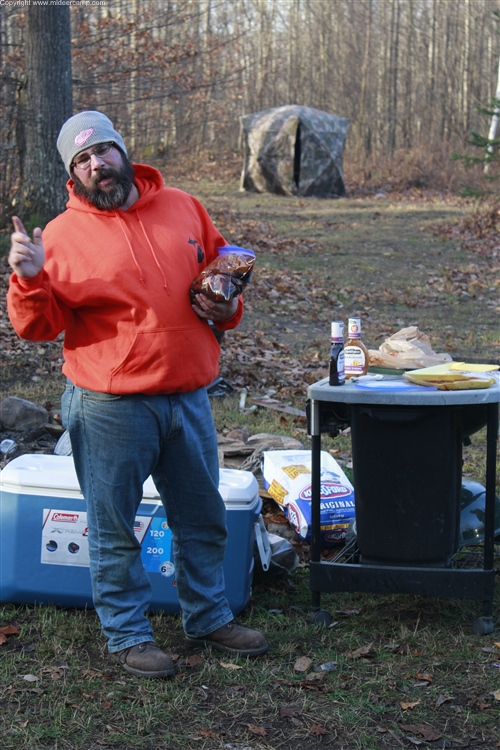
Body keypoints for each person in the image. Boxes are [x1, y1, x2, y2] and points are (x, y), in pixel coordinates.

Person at [7, 111, 268, 679]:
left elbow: (221, 281)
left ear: (123, 151)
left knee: (203, 518)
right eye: (81, 159)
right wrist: (28, 278)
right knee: (113, 528)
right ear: (72, 174)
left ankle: (208, 615)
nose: (96, 164)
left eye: (103, 150)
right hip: (110, 405)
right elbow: (37, 326)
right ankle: (128, 634)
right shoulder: (60, 236)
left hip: (190, 396)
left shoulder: (184, 207)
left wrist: (229, 307)